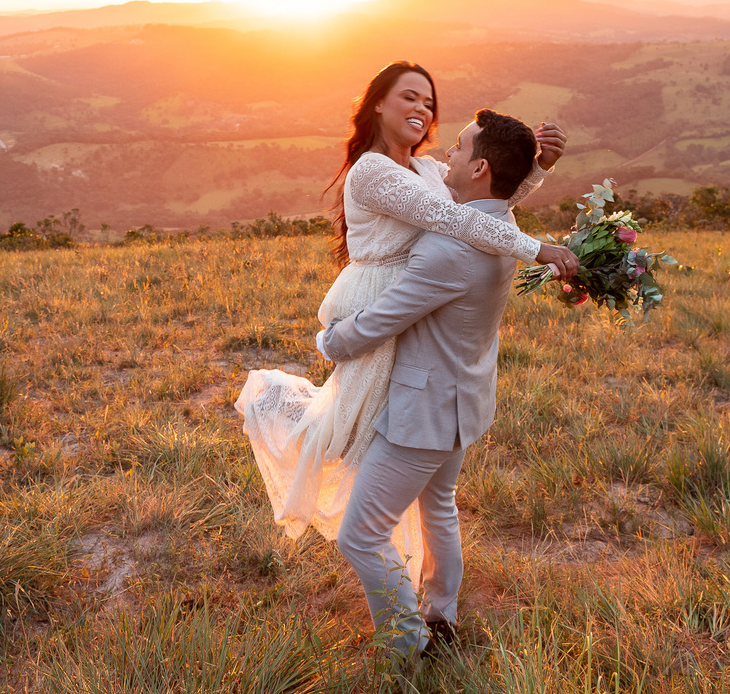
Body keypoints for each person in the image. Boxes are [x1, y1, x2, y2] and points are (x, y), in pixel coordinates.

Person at [236, 61, 576, 586]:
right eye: (409, 97)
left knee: (414, 496)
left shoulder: (429, 171)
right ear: (377, 102)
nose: (422, 108)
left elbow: (481, 206)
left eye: (429, 102)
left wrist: (535, 170)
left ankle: (424, 616)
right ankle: (426, 603)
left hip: (413, 321)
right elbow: (455, 219)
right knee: (354, 441)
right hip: (381, 308)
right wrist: (537, 249)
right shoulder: (372, 171)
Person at [320, 108, 576, 658]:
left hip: (424, 412)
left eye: (459, 148)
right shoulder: (502, 225)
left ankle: (410, 645)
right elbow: (495, 204)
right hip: (463, 401)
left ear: (480, 168)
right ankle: (442, 616)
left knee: (361, 535)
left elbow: (385, 319)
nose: (447, 157)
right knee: (439, 508)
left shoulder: (450, 248)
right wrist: (538, 168)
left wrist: (331, 342)